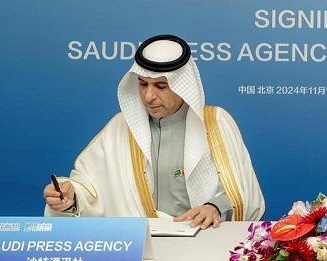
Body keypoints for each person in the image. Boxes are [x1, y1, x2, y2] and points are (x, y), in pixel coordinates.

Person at [43, 34, 265, 227]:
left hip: (201, 242)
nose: (149, 96)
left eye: (161, 86)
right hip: (139, 245)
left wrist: (214, 207)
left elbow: (243, 192)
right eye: (142, 84)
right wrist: (69, 197)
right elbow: (89, 186)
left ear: (182, 86)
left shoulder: (216, 123)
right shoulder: (120, 128)